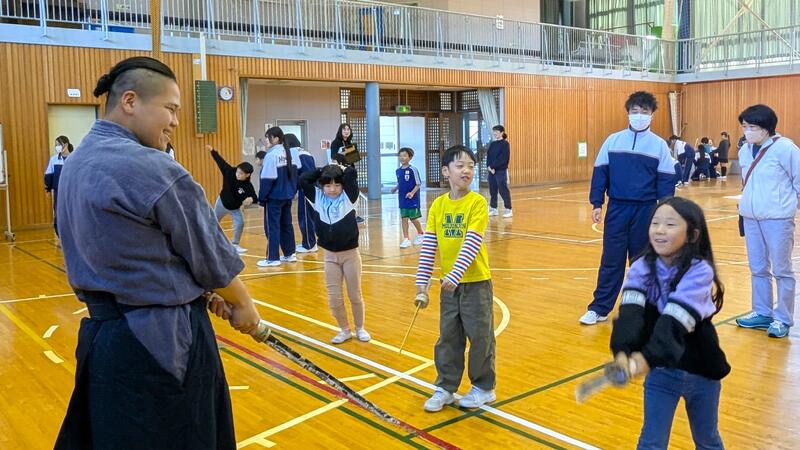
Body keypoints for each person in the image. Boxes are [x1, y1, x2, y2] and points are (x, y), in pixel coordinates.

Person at [53, 56, 262, 449]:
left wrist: (191, 289)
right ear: (130, 101)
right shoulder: (155, 168)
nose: (176, 121)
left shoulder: (75, 164)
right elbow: (212, 261)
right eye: (170, 108)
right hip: (163, 343)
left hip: (104, 344)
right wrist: (244, 304)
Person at [611, 197, 729, 450]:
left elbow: (675, 319)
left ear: (692, 235)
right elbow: (630, 311)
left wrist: (646, 359)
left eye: (670, 224)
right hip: (662, 372)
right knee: (652, 442)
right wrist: (622, 350)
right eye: (655, 223)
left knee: (707, 439)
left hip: (701, 369)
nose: (660, 230)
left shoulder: (700, 271)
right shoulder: (641, 266)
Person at [581, 91, 676, 325]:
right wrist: (596, 203)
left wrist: (664, 212)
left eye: (644, 111)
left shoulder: (659, 145)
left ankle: (643, 309)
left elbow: (666, 181)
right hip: (617, 209)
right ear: (628, 113)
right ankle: (599, 308)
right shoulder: (612, 141)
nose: (639, 115)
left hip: (645, 210)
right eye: (635, 111)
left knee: (642, 263)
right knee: (610, 261)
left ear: (652, 115)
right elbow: (600, 173)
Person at [415, 144, 496, 412]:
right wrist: (422, 284)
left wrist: (456, 273)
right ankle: (445, 387)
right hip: (448, 287)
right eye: (460, 165)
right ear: (446, 171)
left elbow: (472, 242)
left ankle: (484, 388)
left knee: (480, 337)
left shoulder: (477, 203)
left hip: (475, 283)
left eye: (471, 166)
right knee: (448, 337)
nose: (466, 171)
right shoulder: (438, 205)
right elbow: (429, 245)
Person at [734, 104, 800, 339]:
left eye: (752, 127)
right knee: (758, 268)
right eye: (745, 126)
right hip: (751, 218)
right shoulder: (744, 150)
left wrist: (789, 208)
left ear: (766, 128)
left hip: (778, 219)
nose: (747, 131)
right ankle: (762, 312)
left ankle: (783, 318)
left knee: (782, 270)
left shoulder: (786, 149)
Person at [299, 164, 370, 344]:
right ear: (322, 186)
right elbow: (303, 180)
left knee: (355, 295)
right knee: (334, 298)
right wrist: (322, 170)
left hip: (350, 256)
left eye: (337, 185)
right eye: (328, 185)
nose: (332, 189)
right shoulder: (317, 198)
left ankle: (360, 328)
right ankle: (345, 330)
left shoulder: (349, 197)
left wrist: (341, 168)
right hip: (330, 257)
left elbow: (352, 173)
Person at [257, 127, 301, 267]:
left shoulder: (271, 156)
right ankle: (290, 254)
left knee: (273, 227)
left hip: (274, 198)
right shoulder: (291, 153)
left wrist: (261, 199)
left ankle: (273, 258)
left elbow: (267, 180)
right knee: (287, 225)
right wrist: (292, 191)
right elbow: (297, 175)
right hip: (287, 196)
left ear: (275, 138)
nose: (266, 140)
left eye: (268, 137)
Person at [208, 144, 257, 253]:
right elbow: (220, 162)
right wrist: (213, 151)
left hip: (235, 208)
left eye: (241, 173)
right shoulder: (230, 172)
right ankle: (208, 241)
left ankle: (235, 244)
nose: (237, 174)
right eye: (237, 172)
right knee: (213, 221)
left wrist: (251, 199)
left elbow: (255, 197)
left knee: (240, 223)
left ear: (247, 175)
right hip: (221, 203)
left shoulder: (248, 186)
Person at [286, 133, 317, 253]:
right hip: (311, 188)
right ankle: (309, 242)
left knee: (305, 217)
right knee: (308, 216)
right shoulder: (306, 152)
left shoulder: (295, 153)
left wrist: (292, 190)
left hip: (306, 189)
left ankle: (309, 244)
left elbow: (298, 174)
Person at [329, 123, 364, 223]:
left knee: (354, 193)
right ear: (340, 131)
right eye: (344, 129)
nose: (346, 131)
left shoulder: (349, 142)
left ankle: (354, 214)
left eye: (348, 129)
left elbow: (352, 159)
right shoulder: (336, 143)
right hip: (341, 171)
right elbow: (333, 158)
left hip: (350, 170)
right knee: (343, 194)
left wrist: (353, 155)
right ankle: (341, 215)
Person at [391, 147, 424, 248]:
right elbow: (400, 183)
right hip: (402, 199)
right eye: (400, 156)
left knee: (413, 218)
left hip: (412, 199)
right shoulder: (398, 171)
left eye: (404, 156)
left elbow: (418, 184)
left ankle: (421, 234)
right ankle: (406, 239)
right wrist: (395, 188)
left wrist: (412, 193)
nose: (402, 158)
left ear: (410, 157)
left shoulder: (413, 169)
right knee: (404, 218)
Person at [44, 135, 73, 237]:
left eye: (58, 144)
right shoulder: (54, 160)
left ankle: (73, 234)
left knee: (72, 212)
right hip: (58, 191)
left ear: (65, 145)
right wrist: (47, 189)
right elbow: (48, 175)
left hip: (71, 191)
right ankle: (60, 234)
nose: (57, 147)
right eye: (55, 145)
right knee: (59, 212)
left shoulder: (74, 158)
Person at [486, 125, 512, 218]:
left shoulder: (505, 144)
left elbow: (504, 158)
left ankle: (508, 209)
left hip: (500, 170)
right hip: (491, 171)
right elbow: (488, 156)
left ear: (502, 132)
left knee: (503, 189)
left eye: (496, 131)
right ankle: (493, 208)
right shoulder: (493, 144)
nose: (495, 133)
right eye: (494, 131)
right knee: (492, 190)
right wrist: (489, 167)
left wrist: (493, 167)